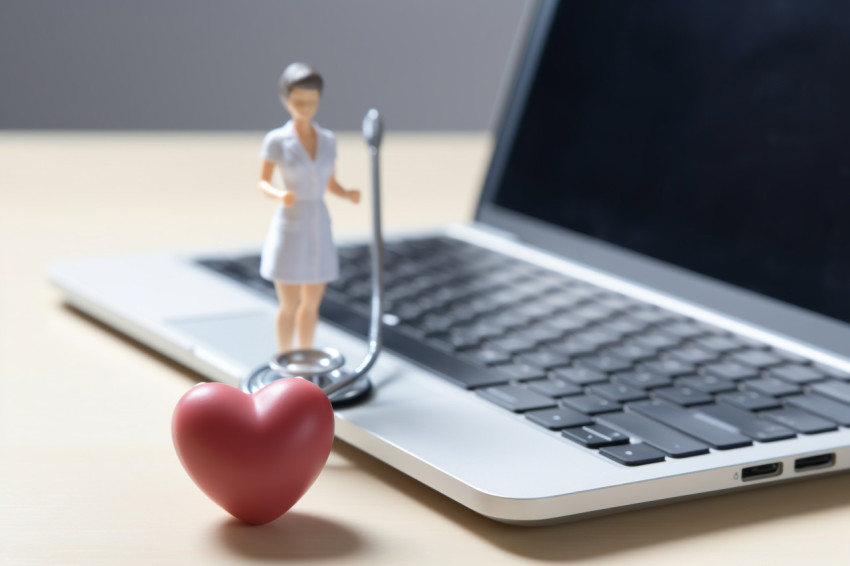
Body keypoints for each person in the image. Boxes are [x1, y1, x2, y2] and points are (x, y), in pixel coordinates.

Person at [258, 62, 360, 353]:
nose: (305, 108)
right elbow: (262, 182)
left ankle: (304, 355)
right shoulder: (277, 140)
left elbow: (330, 182)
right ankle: (284, 356)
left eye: (311, 102)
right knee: (288, 302)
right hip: (291, 220)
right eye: (298, 102)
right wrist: (279, 194)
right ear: (285, 100)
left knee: (312, 301)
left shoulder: (327, 140)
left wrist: (347, 193)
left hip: (318, 220)